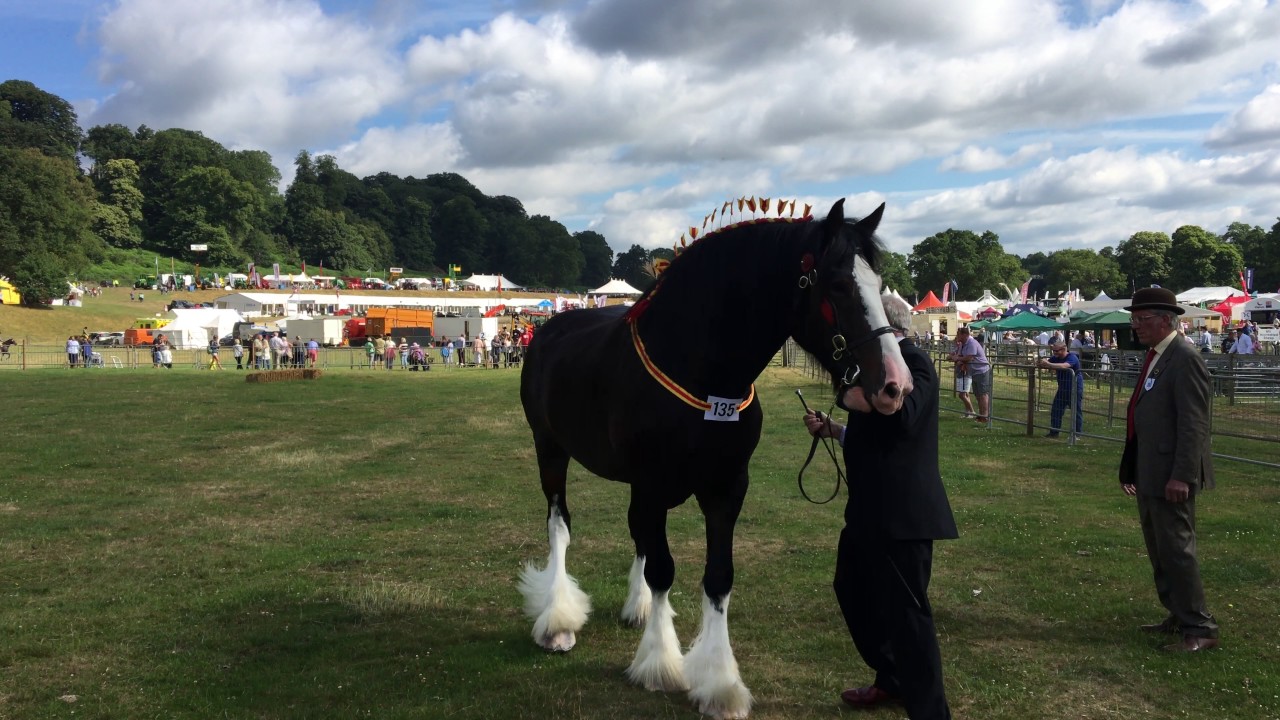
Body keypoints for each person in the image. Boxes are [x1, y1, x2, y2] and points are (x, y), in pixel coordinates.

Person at [802, 293, 957, 718]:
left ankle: (929, 710)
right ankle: (892, 677)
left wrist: (854, 399)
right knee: (850, 589)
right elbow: (878, 437)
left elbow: (903, 421)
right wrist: (836, 429)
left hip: (903, 516)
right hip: (868, 512)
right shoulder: (877, 368)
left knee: (909, 614)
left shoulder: (915, 363)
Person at [1121, 288, 1218, 652]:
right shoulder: (1158, 356)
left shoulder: (1184, 358)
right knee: (1160, 549)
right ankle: (1179, 614)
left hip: (1171, 474)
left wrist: (1183, 475)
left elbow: (1194, 425)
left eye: (1142, 320)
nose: (1136, 326)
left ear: (1166, 320)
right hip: (1151, 470)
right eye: (1134, 319)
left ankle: (1201, 628)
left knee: (1177, 549)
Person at [1037, 342, 1083, 437]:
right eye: (1053, 350)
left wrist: (1048, 363)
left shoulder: (1072, 357)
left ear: (1064, 349)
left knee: (1075, 411)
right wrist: (1040, 363)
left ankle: (1077, 434)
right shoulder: (1056, 358)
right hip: (1062, 389)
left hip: (1074, 389)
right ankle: (1054, 432)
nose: (1054, 353)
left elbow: (1064, 366)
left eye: (1056, 351)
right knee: (1056, 410)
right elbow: (1046, 364)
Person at [948, 326, 991, 423]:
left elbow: (969, 357)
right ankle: (981, 415)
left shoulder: (971, 343)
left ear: (964, 335)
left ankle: (985, 416)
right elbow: (959, 355)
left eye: (958, 334)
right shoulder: (963, 344)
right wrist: (955, 357)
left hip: (981, 371)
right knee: (978, 394)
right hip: (974, 372)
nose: (957, 336)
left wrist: (957, 359)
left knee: (983, 394)